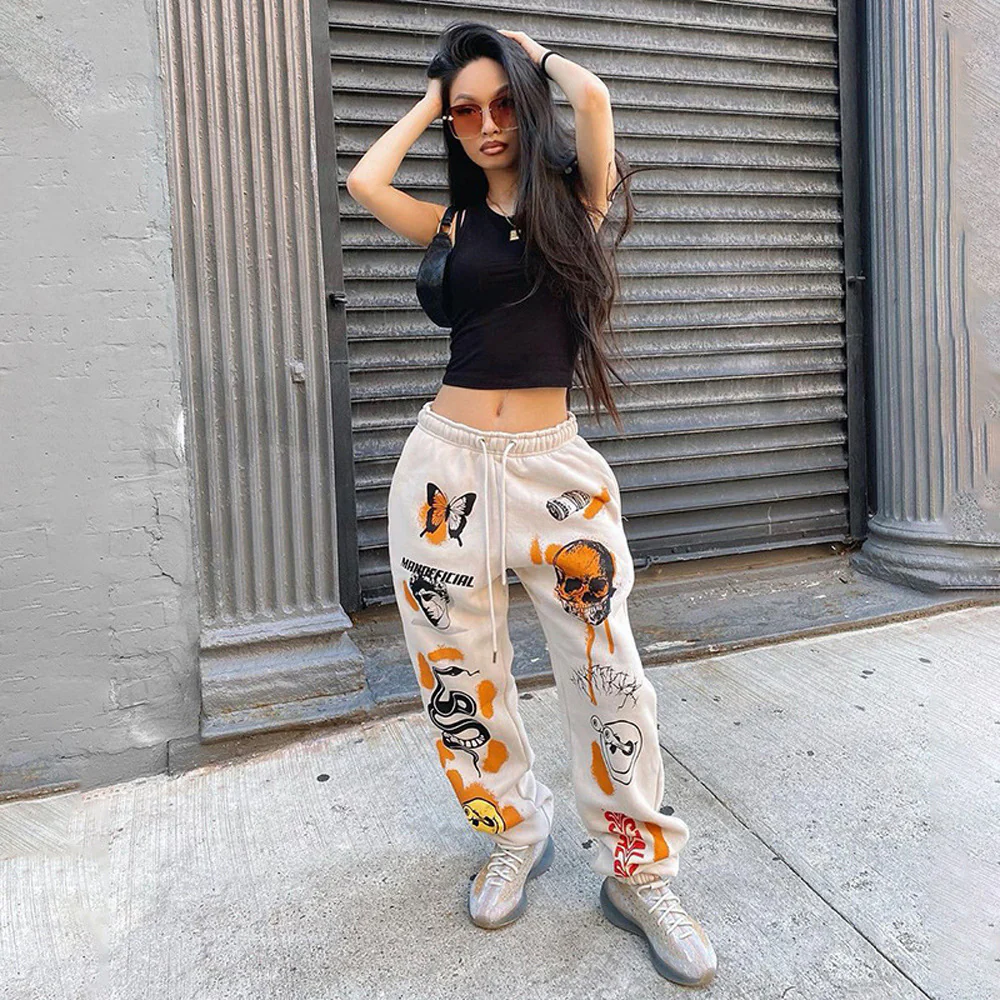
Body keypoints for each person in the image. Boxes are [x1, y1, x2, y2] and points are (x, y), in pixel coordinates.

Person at [346, 21, 717, 988]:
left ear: (527, 102)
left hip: (554, 471)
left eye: (502, 104)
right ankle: (513, 831)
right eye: (467, 113)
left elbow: (593, 101)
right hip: (444, 468)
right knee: (457, 672)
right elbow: (365, 183)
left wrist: (528, 54)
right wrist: (435, 97)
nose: (487, 125)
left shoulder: (577, 206)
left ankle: (638, 871)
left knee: (609, 673)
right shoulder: (455, 225)